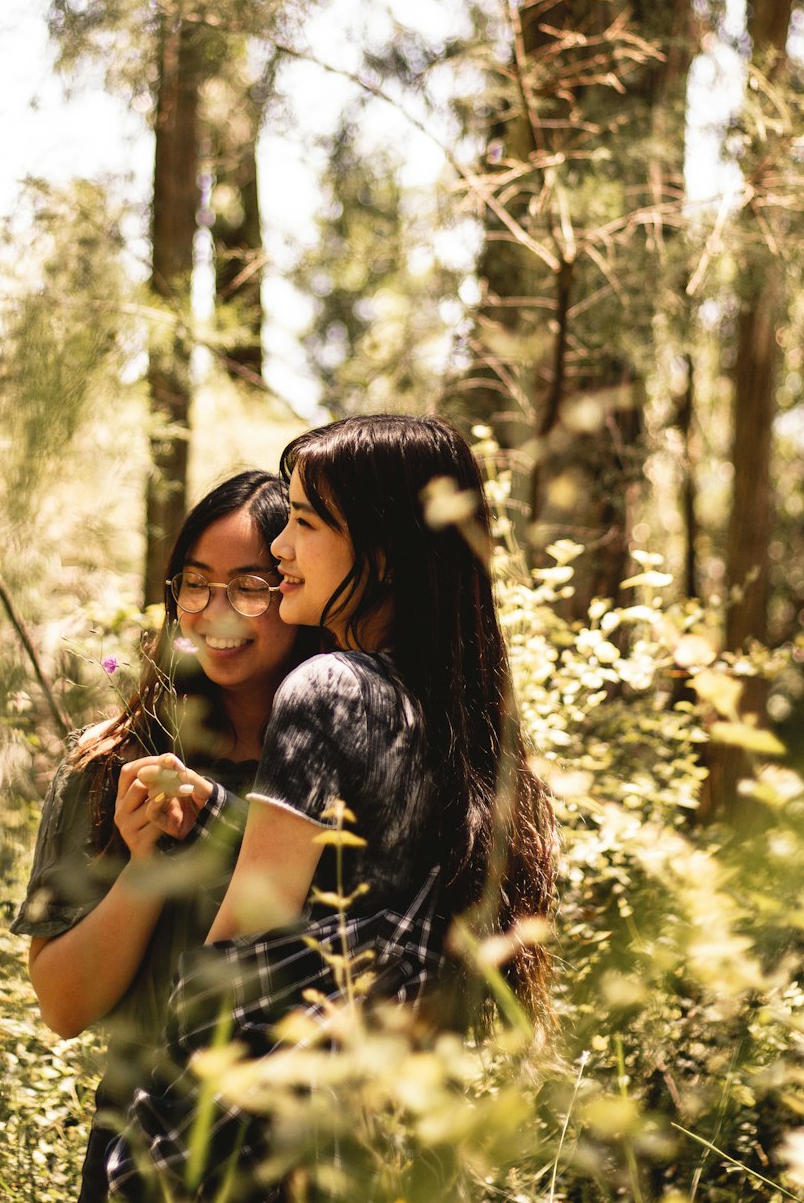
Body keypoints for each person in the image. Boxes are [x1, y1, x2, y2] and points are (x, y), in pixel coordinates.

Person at [106, 414, 558, 1200]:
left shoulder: (329, 689)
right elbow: (364, 886)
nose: (280, 547)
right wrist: (220, 813)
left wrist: (151, 1141)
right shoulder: (446, 712)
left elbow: (243, 943)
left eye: (307, 523)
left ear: (380, 550)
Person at [11, 470, 319, 1203]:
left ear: (299, 587)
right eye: (195, 583)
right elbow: (62, 1004)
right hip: (139, 1145)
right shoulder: (114, 762)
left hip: (303, 1148)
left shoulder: (341, 761)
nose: (217, 612)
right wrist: (148, 865)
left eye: (251, 585)